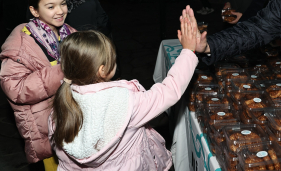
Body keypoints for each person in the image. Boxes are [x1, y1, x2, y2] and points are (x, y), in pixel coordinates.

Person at [48, 21, 198, 170]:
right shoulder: (125, 103)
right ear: (102, 70)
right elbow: (169, 90)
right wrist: (188, 52)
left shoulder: (61, 105)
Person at [0, 0, 76, 170]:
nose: (60, 11)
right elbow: (14, 89)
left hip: (72, 123)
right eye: (50, 6)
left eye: (63, 4)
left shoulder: (70, 33)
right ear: (34, 10)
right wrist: (62, 71)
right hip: (45, 129)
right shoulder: (21, 41)